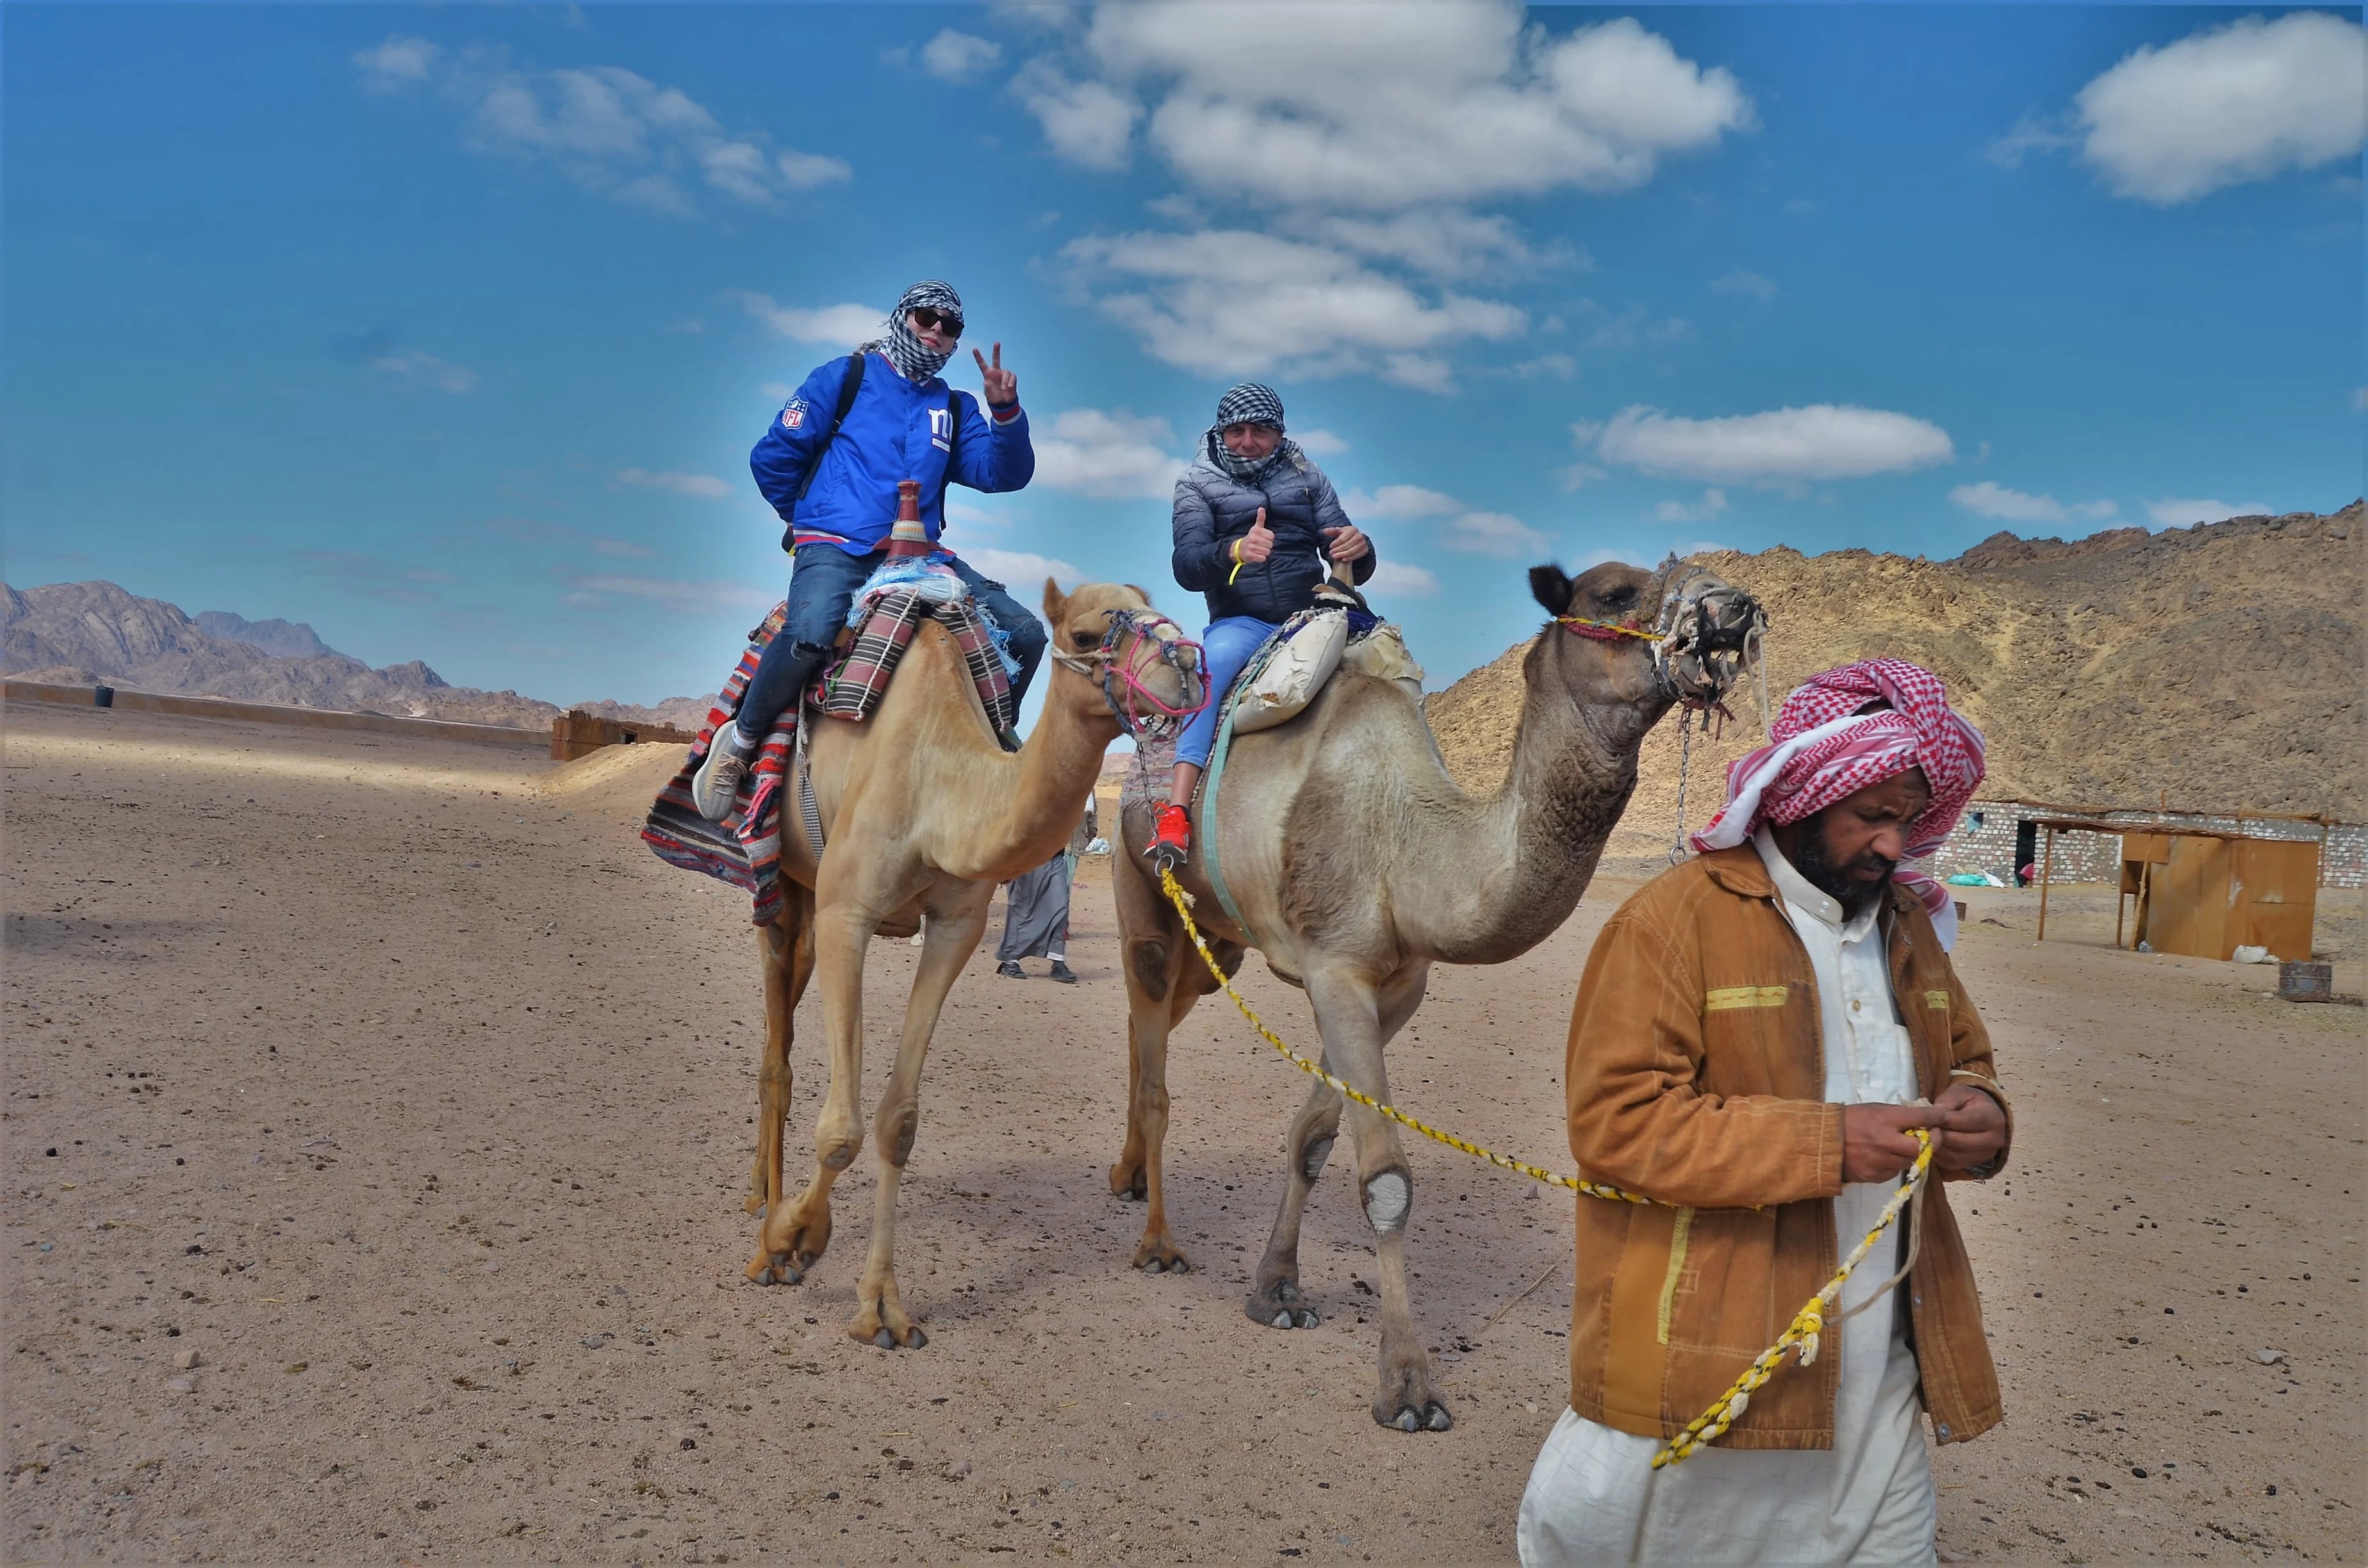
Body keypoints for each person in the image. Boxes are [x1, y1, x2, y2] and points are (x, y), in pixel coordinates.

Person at [1519, 658, 2012, 1567]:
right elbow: (1619, 1125)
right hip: (1716, 1344)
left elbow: (1968, 1059)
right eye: (1871, 817)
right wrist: (1830, 1142)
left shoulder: (1907, 928)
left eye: (1905, 821)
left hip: (1883, 1364)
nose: (1892, 847)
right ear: (1800, 797)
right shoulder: (1674, 922)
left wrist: (1981, 1115)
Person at [693, 281, 1044, 820]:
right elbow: (773, 458)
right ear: (903, 317)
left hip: (920, 554)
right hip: (837, 544)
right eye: (927, 317)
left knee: (1024, 633)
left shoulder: (953, 406)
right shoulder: (843, 377)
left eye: (950, 326)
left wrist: (1005, 414)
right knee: (811, 633)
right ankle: (739, 744)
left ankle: (985, 749)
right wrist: (811, 520)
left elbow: (1002, 474)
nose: (936, 332)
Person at [1142, 382, 1375, 863]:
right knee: (1213, 671)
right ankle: (1177, 812)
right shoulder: (1195, 484)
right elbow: (1186, 565)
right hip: (1241, 620)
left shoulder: (1308, 476)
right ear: (1221, 432)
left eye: (1262, 432)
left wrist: (1360, 548)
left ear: (1279, 433)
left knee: (1387, 660)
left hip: (1312, 615)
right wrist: (1234, 550)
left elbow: (1346, 554)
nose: (1249, 442)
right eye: (1238, 431)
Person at [996, 801, 1096, 983]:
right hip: (1026, 858)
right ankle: (1010, 961)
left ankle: (1058, 961)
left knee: (1060, 907)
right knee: (1022, 908)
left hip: (1056, 857)